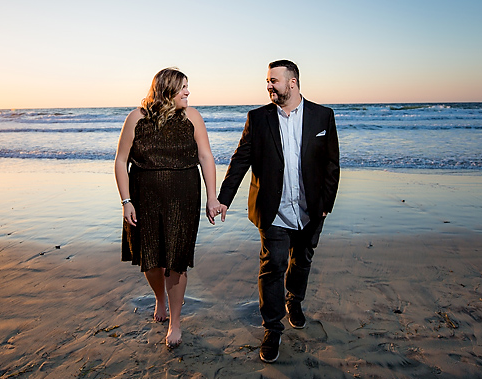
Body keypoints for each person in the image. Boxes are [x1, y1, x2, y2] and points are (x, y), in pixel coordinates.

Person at [217, 59, 340, 363]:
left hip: (311, 209)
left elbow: (331, 163)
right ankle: (272, 328)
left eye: (274, 80)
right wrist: (223, 198)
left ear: (292, 82)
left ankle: (294, 301)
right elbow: (240, 160)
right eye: (267, 81)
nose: (269, 85)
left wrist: (325, 203)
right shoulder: (258, 119)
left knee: (302, 261)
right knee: (273, 266)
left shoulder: (322, 116)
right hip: (273, 209)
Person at [115, 68, 222, 349]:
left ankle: (175, 321)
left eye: (188, 87)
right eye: (183, 87)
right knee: (150, 259)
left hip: (183, 199)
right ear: (166, 90)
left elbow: (206, 157)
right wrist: (126, 201)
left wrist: (212, 198)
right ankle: (160, 297)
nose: (188, 92)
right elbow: (120, 161)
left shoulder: (192, 117)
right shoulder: (136, 118)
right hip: (143, 199)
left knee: (176, 259)